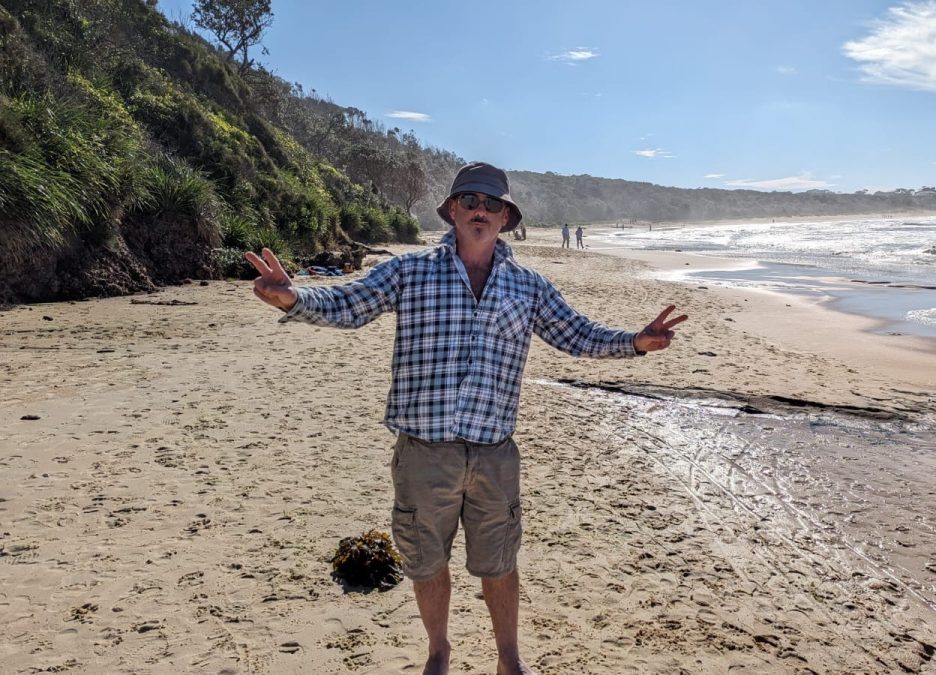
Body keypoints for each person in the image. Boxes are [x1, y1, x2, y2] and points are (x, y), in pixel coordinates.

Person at [243, 162, 686, 675]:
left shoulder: (529, 286)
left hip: (494, 453)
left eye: (492, 203)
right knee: (426, 561)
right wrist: (294, 297)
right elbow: (350, 302)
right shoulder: (410, 272)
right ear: (453, 210)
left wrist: (635, 342)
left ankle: (508, 659)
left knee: (499, 561)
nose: (481, 210)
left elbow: (576, 334)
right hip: (423, 451)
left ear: (506, 218)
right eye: (471, 200)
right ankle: (438, 650)